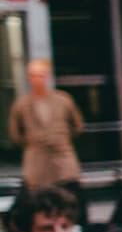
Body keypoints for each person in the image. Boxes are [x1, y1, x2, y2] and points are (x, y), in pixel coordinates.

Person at [9, 57, 84, 192]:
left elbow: (77, 126)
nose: (37, 79)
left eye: (41, 75)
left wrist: (60, 138)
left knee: (70, 200)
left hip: (63, 161)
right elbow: (15, 134)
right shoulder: (21, 105)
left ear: (47, 76)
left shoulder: (63, 100)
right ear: (28, 78)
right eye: (33, 75)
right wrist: (33, 141)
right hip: (36, 164)